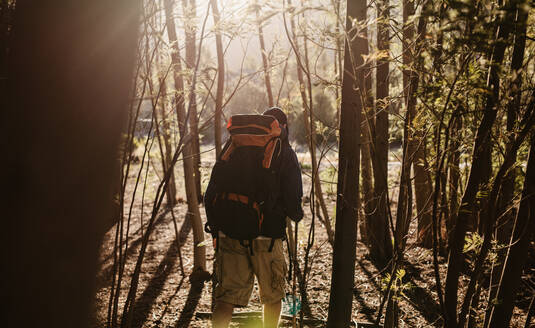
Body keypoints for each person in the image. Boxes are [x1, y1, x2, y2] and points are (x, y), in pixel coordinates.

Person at [205, 107, 304, 328]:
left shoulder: (234, 148)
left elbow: (210, 193)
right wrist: (296, 214)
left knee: (225, 298)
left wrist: (215, 227)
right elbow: (292, 197)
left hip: (230, 233)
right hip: (267, 238)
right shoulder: (285, 153)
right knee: (272, 297)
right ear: (282, 128)